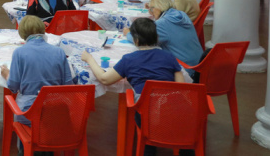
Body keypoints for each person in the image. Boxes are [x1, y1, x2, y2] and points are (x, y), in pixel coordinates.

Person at [81, 18, 189, 156]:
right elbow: (182, 88)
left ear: (136, 40)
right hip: (174, 112)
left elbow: (104, 79)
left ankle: (149, 147)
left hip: (148, 115)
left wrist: (89, 59)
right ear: (156, 37)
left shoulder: (129, 59)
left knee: (147, 131)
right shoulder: (169, 56)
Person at [1, 15, 74, 154]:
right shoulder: (59, 52)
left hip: (29, 112)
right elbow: (68, 85)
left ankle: (25, 150)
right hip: (56, 111)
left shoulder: (19, 53)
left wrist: (6, 74)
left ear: (22, 34)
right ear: (43, 30)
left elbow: (13, 86)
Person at [124, 0, 202, 75]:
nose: (151, 13)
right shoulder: (181, 14)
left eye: (151, 9)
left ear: (158, 7)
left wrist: (128, 33)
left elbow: (142, 41)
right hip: (199, 64)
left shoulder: (162, 24)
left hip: (185, 69)